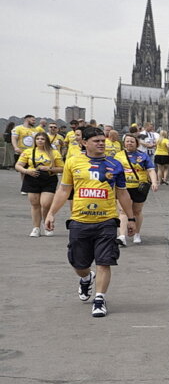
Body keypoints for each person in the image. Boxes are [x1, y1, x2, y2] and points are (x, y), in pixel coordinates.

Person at [43, 126, 135, 318]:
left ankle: (100, 299)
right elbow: (63, 190)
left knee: (104, 261)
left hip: (107, 220)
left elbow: (123, 193)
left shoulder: (115, 164)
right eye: (96, 141)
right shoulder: (73, 161)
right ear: (84, 142)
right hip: (79, 220)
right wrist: (51, 213)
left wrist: (130, 217)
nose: (101, 144)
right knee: (79, 263)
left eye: (103, 140)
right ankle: (86, 278)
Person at [16, 132, 64, 237]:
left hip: (49, 179)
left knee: (45, 204)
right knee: (35, 204)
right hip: (32, 178)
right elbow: (18, 165)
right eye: (38, 138)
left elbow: (62, 168)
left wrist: (49, 168)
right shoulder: (28, 152)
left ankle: (46, 223)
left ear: (47, 140)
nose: (40, 140)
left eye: (42, 139)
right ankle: (36, 227)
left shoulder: (54, 152)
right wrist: (26, 171)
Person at [114, 133, 158, 245]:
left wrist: (154, 182)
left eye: (132, 141)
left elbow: (151, 170)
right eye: (127, 141)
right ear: (124, 143)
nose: (129, 143)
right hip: (123, 187)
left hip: (139, 187)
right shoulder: (118, 156)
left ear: (136, 144)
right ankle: (122, 236)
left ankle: (137, 233)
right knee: (123, 211)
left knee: (137, 211)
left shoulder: (143, 156)